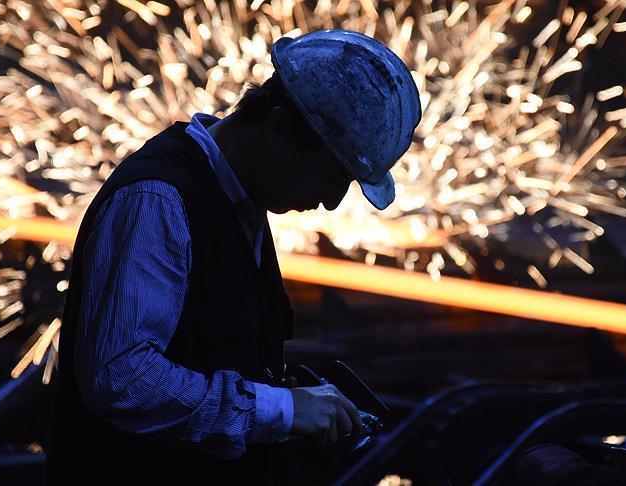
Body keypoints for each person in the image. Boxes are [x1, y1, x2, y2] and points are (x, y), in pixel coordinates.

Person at [45, 29, 421, 484]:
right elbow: (121, 378)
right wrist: (280, 410)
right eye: (331, 176)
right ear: (278, 129)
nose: (331, 201)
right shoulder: (158, 200)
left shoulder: (240, 201)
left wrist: (287, 405)